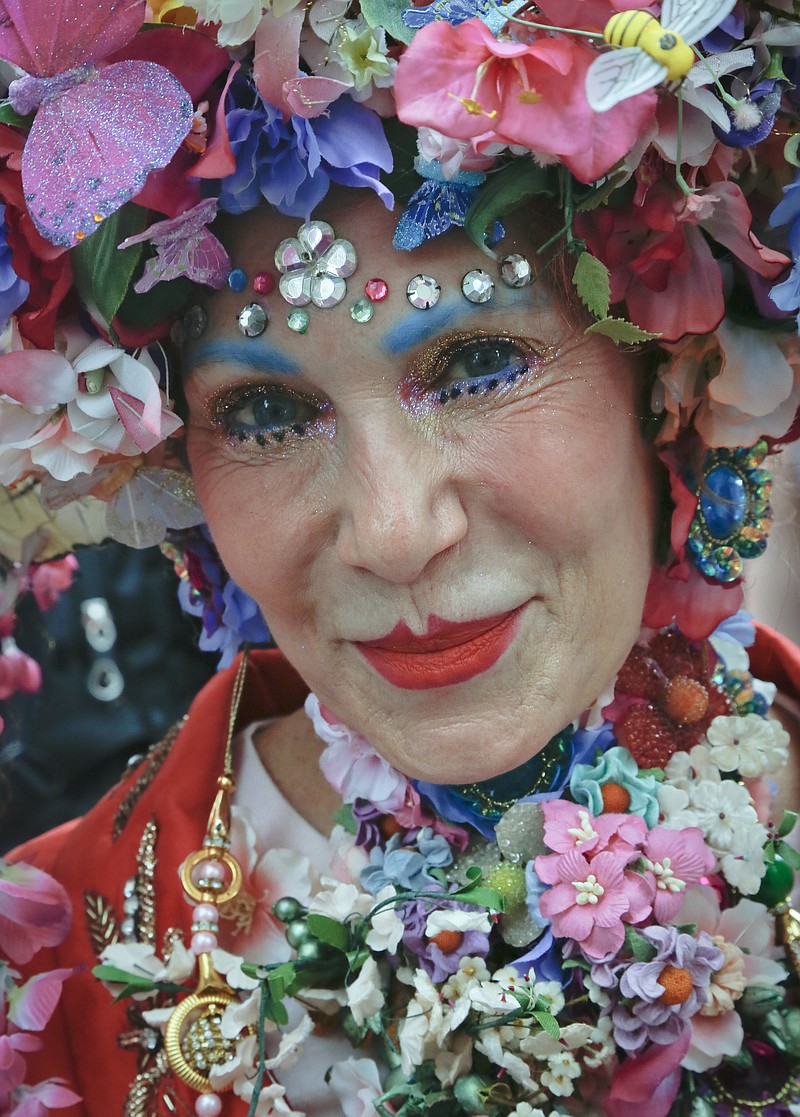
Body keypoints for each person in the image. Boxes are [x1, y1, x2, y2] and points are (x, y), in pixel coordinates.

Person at [3, 1, 800, 1116]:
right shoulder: (43, 965)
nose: (391, 530)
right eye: (267, 411)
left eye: (476, 364)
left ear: (669, 377)